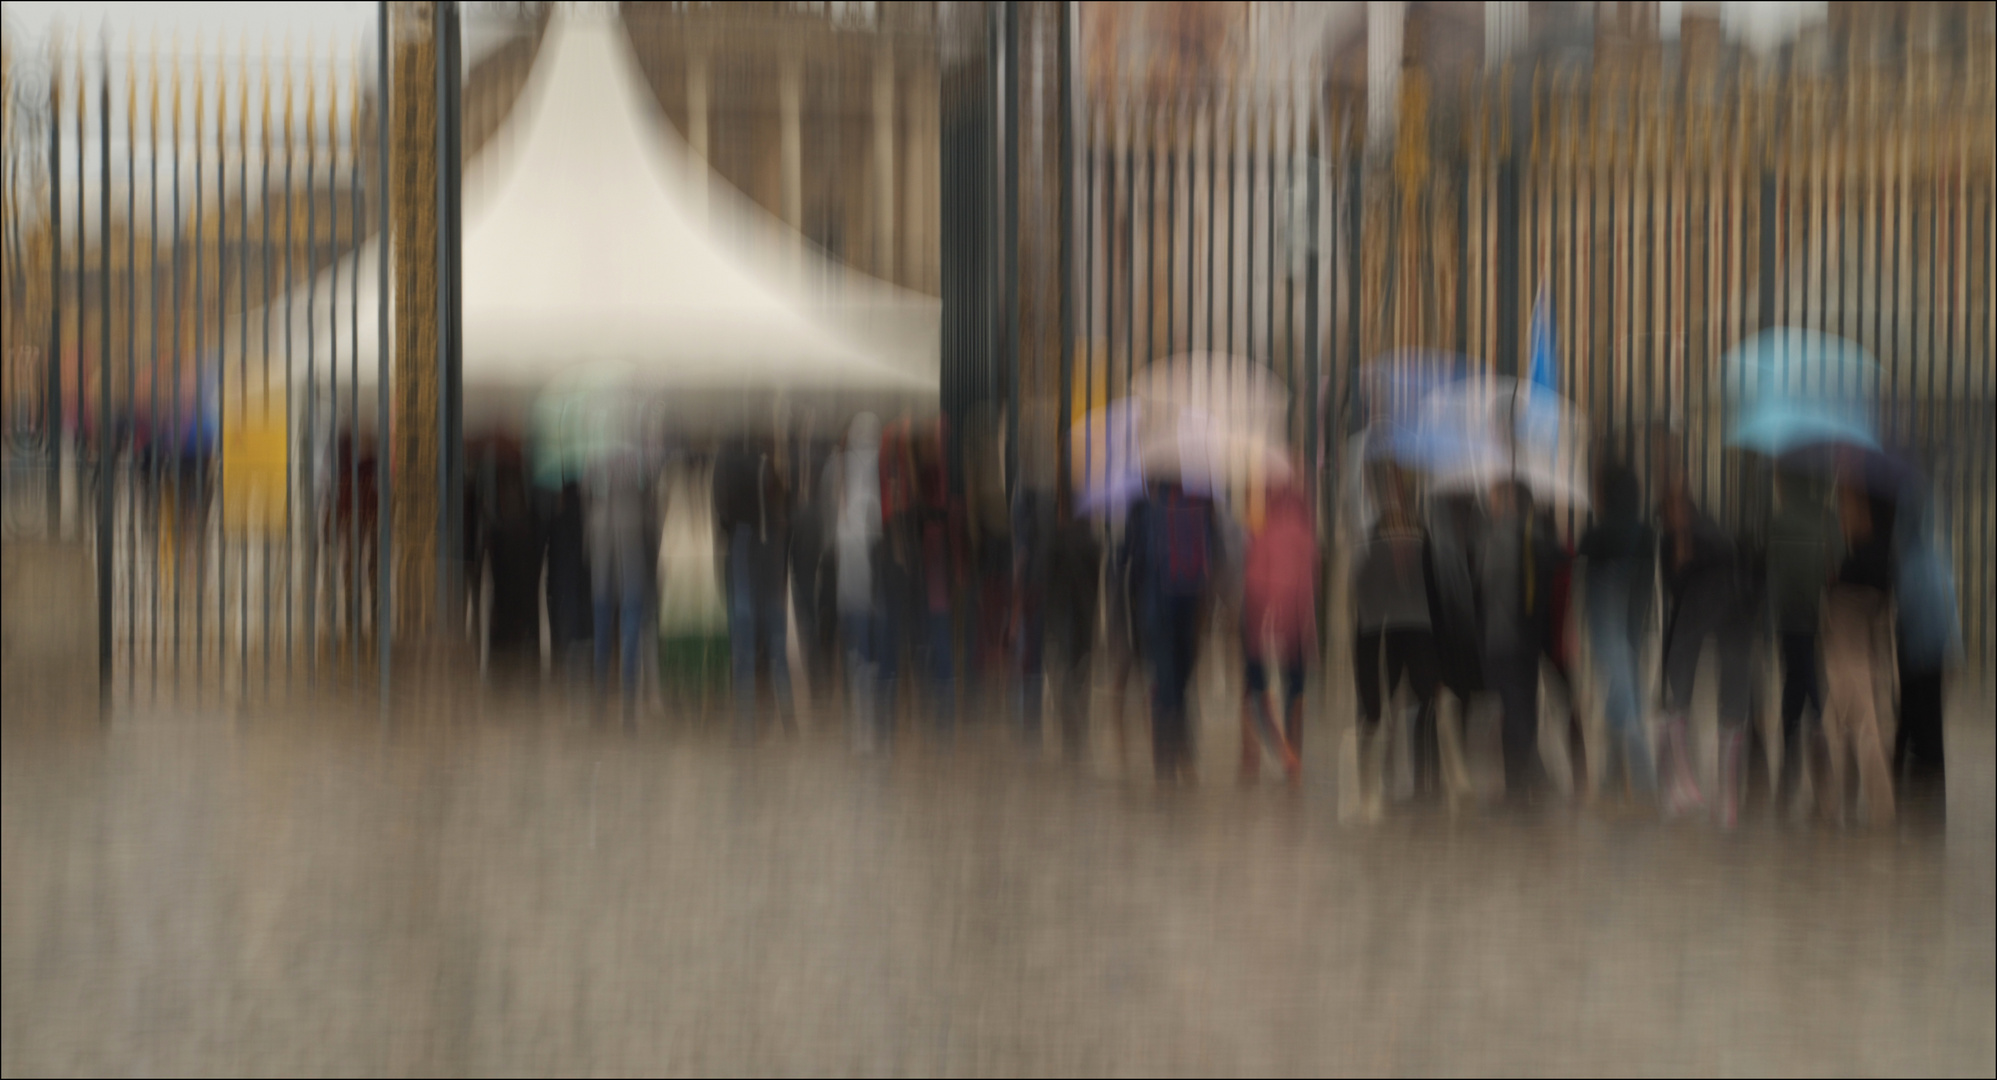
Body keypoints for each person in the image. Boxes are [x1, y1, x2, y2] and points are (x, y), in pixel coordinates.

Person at [1655, 486, 1757, 825]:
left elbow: (1680, 598)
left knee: (1681, 695)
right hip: (1733, 612)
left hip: (1716, 608)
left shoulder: (1685, 540)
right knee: (1730, 700)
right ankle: (1718, 798)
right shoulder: (1708, 535)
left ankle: (1692, 787)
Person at [1350, 469, 1442, 804]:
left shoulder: (1420, 534)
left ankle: (1424, 778)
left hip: (1414, 630)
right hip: (1385, 630)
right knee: (1377, 706)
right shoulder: (1376, 536)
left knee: (1424, 701)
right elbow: (1363, 586)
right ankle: (1376, 777)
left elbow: (1432, 585)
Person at [1131, 478, 1221, 785]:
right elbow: (1213, 556)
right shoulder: (1202, 501)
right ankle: (1184, 756)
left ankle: (1165, 764)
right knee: (1182, 682)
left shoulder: (1145, 507)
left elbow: (1136, 561)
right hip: (1189, 604)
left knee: (1165, 683)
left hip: (1158, 607)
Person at [1816, 480, 1896, 827]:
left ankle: (1881, 812)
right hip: (1871, 604)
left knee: (1860, 718)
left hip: (1849, 612)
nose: (1839, 509)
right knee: (1840, 715)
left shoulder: (1862, 558)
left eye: (1844, 503)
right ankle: (1832, 803)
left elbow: (1854, 529)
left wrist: (1834, 577)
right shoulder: (1880, 546)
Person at [1577, 463, 1657, 804]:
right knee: (1627, 692)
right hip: (1635, 621)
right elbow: (1649, 586)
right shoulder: (1647, 533)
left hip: (1605, 623)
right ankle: (1618, 773)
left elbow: (1582, 591)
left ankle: (1639, 774)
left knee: (1621, 693)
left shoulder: (1594, 536)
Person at [1763, 469, 1842, 812]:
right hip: (1816, 617)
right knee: (1805, 684)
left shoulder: (1779, 522)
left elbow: (1770, 570)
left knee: (1799, 683)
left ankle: (1794, 771)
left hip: (1789, 617)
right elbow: (1834, 568)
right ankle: (1808, 772)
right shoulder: (1826, 518)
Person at [714, 436, 793, 742]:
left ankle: (745, 719)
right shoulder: (769, 461)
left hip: (742, 541)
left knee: (743, 636)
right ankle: (787, 716)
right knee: (775, 635)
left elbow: (721, 509)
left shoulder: (728, 457)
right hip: (769, 543)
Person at [1240, 483, 1317, 784]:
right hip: (1297, 625)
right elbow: (1312, 585)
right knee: (1296, 687)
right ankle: (1294, 747)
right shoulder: (1306, 534)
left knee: (1257, 686)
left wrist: (1255, 628)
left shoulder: (1264, 531)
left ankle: (1283, 751)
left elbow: (1254, 583)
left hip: (1265, 622)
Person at [1893, 484, 1957, 822]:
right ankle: (1930, 819)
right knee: (1929, 729)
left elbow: (1902, 611)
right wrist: (1954, 650)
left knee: (1914, 727)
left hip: (1914, 656)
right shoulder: (1937, 558)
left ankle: (1912, 813)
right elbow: (1951, 610)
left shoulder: (1907, 562)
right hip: (1935, 653)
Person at [587, 452, 657, 718]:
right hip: (632, 538)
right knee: (631, 616)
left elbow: (588, 496)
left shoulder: (594, 459)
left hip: (601, 541)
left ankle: (601, 695)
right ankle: (628, 697)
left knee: (603, 619)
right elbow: (650, 508)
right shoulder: (639, 460)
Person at [835, 415, 889, 750]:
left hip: (851, 543)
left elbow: (839, 505)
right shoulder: (881, 464)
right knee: (873, 605)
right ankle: (871, 662)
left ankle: (859, 659)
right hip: (874, 541)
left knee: (856, 605)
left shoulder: (843, 465)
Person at [1045, 492, 1103, 761]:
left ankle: (1068, 705)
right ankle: (1077, 700)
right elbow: (1097, 578)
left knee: (1066, 660)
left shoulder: (1057, 539)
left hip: (1062, 606)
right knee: (1080, 657)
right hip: (1085, 608)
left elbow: (1047, 573)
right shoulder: (1093, 541)